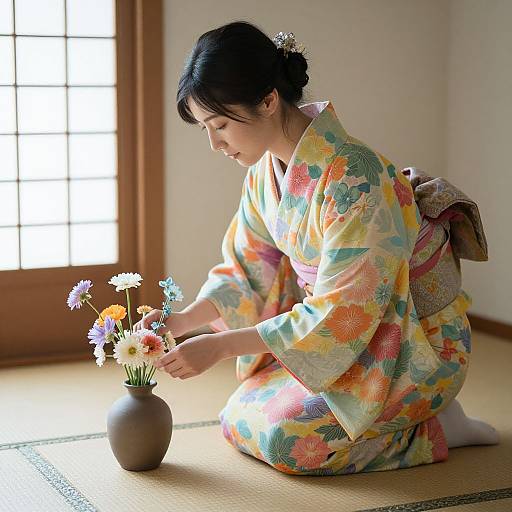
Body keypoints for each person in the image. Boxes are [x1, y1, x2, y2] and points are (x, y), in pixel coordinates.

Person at [134, 21, 499, 476]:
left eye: (221, 124)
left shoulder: (356, 177)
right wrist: (183, 321)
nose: (215, 144)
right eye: (207, 128)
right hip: (349, 341)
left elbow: (344, 310)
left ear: (268, 100)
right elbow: (248, 270)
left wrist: (222, 345)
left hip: (411, 345)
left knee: (289, 443)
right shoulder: (262, 176)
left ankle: (440, 427)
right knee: (236, 418)